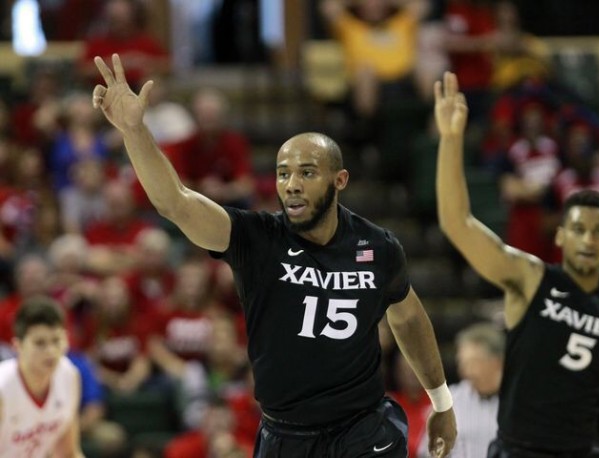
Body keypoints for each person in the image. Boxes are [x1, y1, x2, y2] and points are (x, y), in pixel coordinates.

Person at [92, 53, 457, 458]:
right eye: (283, 173)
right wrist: (135, 131)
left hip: (363, 429)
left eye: (307, 172)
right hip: (286, 434)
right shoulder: (258, 238)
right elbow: (174, 203)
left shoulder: (378, 246)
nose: (292, 184)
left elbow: (407, 316)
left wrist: (441, 401)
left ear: (339, 181)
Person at [435, 71, 599, 457]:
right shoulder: (531, 278)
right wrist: (450, 140)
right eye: (579, 229)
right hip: (520, 449)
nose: (589, 239)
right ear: (561, 235)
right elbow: (457, 223)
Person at [0, 296, 84, 457]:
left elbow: (68, 453)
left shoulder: (69, 375)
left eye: (56, 340)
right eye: (40, 343)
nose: (51, 351)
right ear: (18, 346)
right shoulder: (3, 390)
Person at [418, 322, 504, 457]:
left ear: (496, 362)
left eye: (472, 363)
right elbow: (427, 453)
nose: (464, 371)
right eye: (461, 363)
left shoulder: (519, 401)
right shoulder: (450, 399)